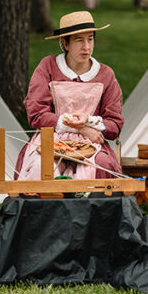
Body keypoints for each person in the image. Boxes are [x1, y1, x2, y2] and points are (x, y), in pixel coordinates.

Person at [14, 11, 123, 180]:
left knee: (103, 166)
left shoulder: (106, 74)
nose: (86, 47)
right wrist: (82, 128)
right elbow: (36, 116)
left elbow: (114, 125)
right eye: (79, 40)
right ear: (65, 43)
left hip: (92, 143)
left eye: (90, 39)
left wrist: (89, 124)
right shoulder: (47, 67)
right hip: (51, 138)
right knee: (40, 168)